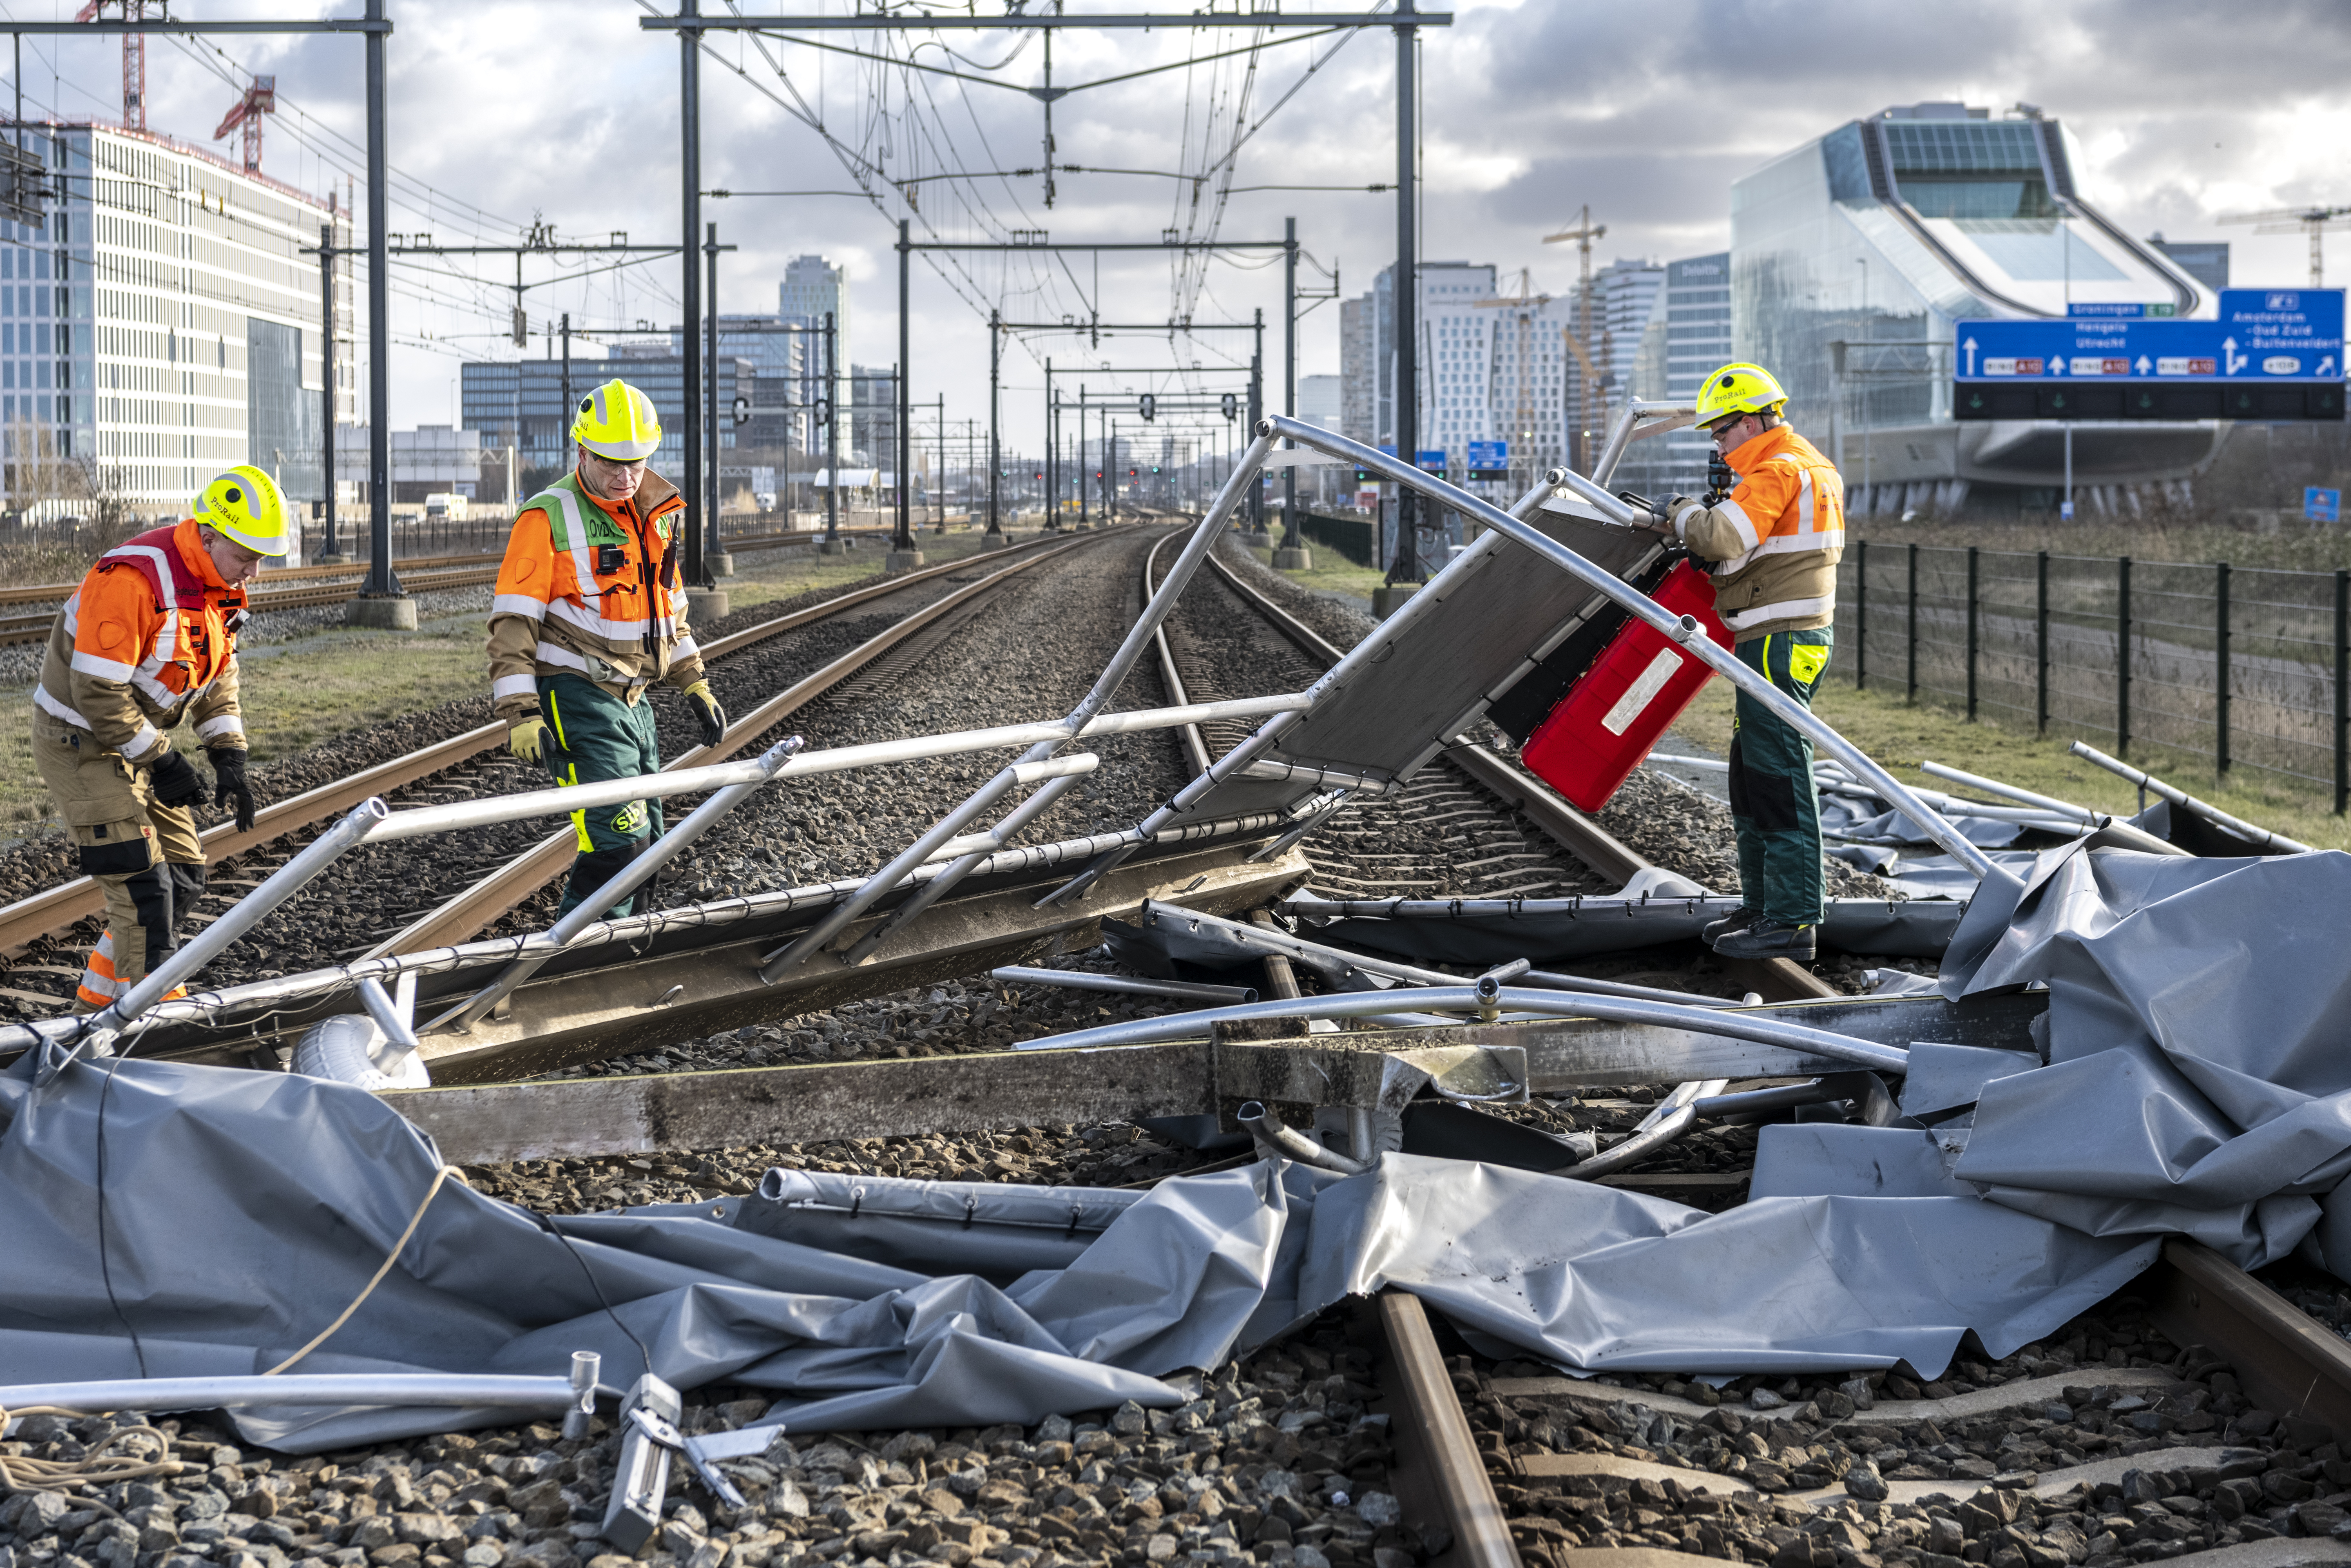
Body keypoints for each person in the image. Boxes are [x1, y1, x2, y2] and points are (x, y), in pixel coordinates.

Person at [33, 468, 283, 1010]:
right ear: (211, 535)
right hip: (79, 742)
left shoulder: (222, 589)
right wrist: (165, 760)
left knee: (184, 875)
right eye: (247, 555)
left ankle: (96, 1015)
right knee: (143, 888)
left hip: (133, 744)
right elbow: (98, 693)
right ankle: (155, 1020)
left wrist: (229, 757)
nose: (255, 572)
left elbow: (217, 677)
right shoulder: (134, 581)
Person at [487, 377, 728, 921]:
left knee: (651, 848)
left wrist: (694, 681)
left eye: (636, 463)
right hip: (577, 696)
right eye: (610, 462)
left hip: (633, 699)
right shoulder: (546, 517)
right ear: (581, 451)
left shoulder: (655, 517)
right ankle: (568, 966)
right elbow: (513, 625)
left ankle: (624, 958)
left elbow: (668, 609)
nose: (624, 476)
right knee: (619, 846)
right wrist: (521, 714)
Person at [1658, 362, 1845, 964]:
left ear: (1752, 419)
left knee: (1778, 778)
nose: (1717, 443)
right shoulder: (1801, 464)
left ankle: (1791, 920)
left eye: (1720, 431)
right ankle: (1764, 906)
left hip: (1778, 641)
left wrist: (1681, 512)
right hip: (1772, 639)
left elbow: (1720, 537)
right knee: (1750, 777)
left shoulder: (1777, 469)